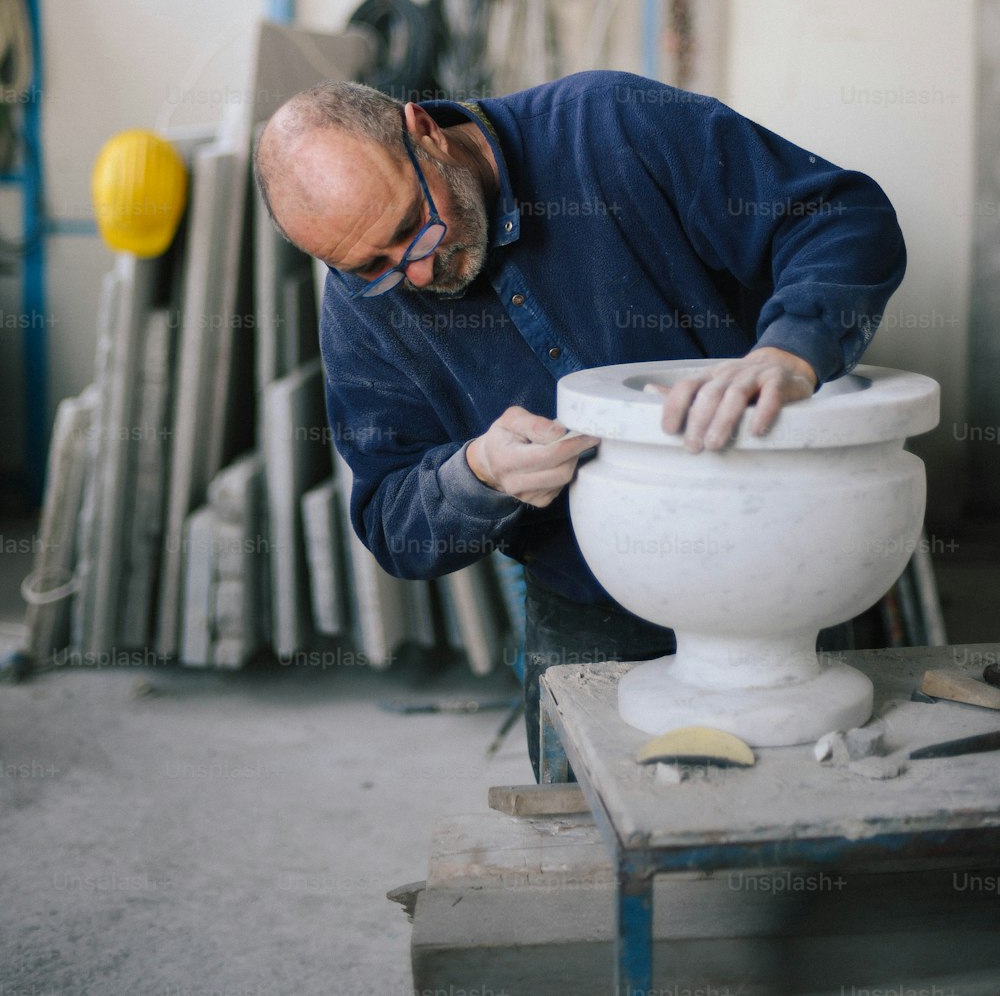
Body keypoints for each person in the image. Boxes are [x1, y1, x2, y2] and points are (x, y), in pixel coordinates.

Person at [254, 69, 905, 778]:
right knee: (592, 833)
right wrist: (477, 476)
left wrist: (791, 350)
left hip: (774, 564)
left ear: (426, 133)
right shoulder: (361, 304)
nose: (412, 273)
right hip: (587, 604)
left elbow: (841, 216)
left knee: (805, 800)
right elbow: (390, 522)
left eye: (412, 227)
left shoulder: (614, 126)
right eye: (370, 265)